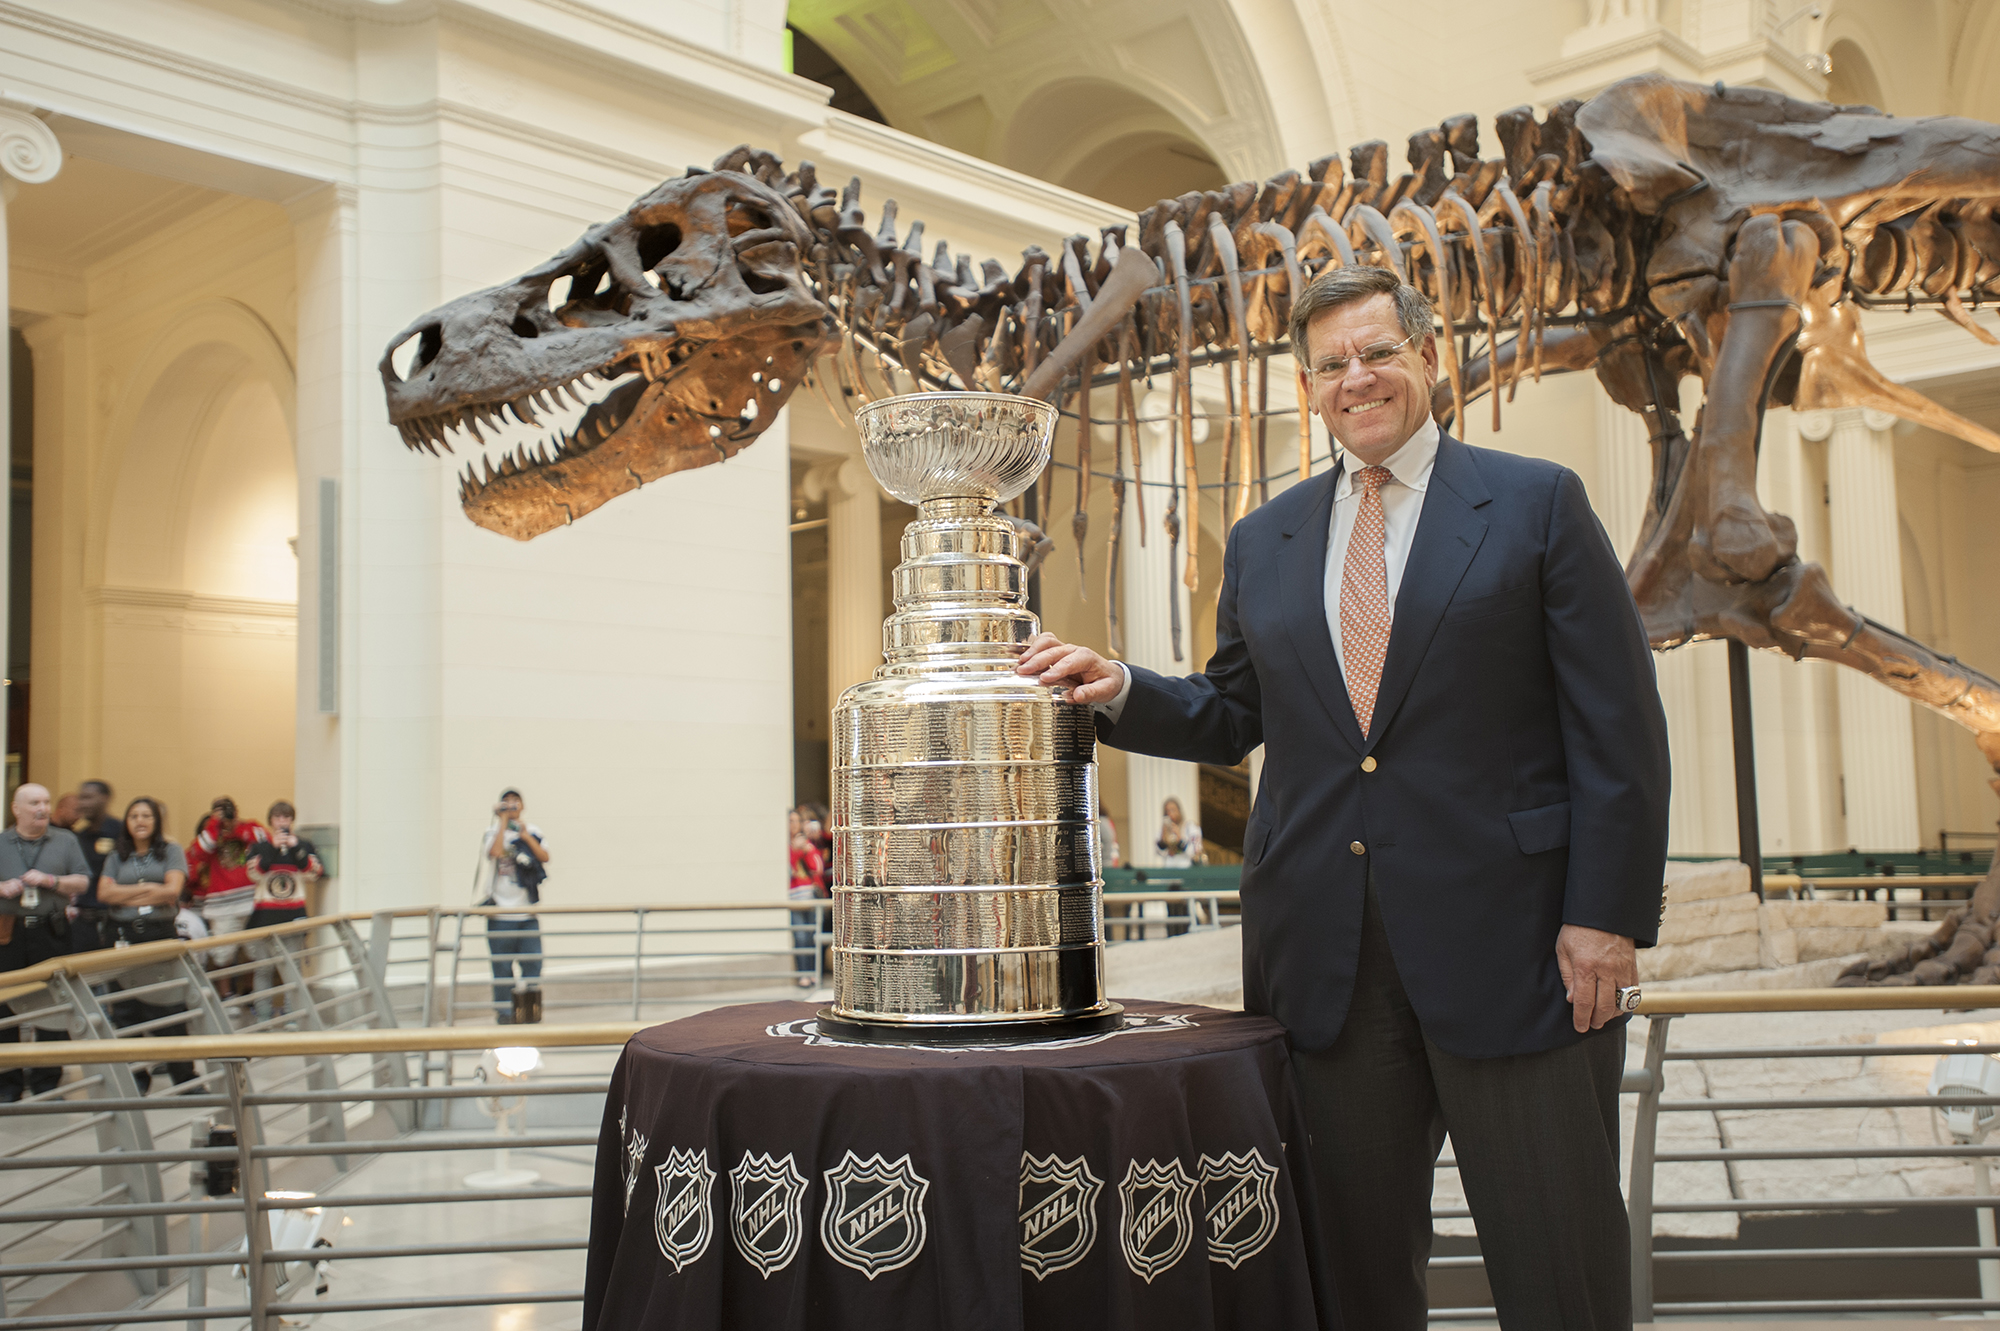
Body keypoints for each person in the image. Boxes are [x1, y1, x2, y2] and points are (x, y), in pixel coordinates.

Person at [1014, 265, 1671, 1330]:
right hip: (1326, 965)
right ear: (1307, 386)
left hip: (1522, 954)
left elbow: (1619, 728)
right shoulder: (1264, 538)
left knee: (1561, 1268)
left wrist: (1604, 917)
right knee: (1349, 1278)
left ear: (1425, 354)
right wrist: (1122, 686)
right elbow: (1232, 711)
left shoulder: (1535, 501)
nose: (1355, 377)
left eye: (1375, 352)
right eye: (1329, 364)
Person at [0, 784, 94, 1101]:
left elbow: (82, 880)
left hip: (51, 931)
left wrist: (52, 881)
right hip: (8, 934)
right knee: (4, 1007)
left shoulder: (65, 840)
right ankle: (7, 1083)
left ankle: (47, 1082)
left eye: (46, 802)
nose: (42, 808)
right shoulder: (1, 843)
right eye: (34, 803)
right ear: (16, 809)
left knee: (53, 1005)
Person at [97, 797, 198, 1092]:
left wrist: (126, 892)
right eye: (133, 816)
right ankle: (135, 1080)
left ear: (156, 821)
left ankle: (184, 1079)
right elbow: (104, 893)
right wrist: (150, 889)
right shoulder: (117, 854)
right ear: (126, 822)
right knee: (126, 1010)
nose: (140, 821)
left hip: (158, 934)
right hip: (123, 936)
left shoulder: (171, 850)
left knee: (170, 1007)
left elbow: (173, 891)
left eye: (146, 816)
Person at [245, 802, 323, 1023]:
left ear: (292, 821)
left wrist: (297, 848)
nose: (282, 822)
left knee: (292, 971)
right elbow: (254, 875)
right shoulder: (259, 846)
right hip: (263, 918)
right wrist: (271, 847)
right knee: (263, 970)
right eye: (278, 817)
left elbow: (314, 873)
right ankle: (263, 1018)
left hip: (293, 916)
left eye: (287, 818)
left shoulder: (304, 845)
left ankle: (292, 1017)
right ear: (271, 821)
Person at [186, 797, 268, 996]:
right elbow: (199, 852)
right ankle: (226, 994)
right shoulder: (211, 833)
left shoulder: (249, 827)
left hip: (250, 901)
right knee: (223, 954)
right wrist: (215, 824)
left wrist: (236, 826)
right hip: (221, 905)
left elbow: (265, 844)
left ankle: (250, 992)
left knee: (253, 951)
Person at [480, 789, 549, 1023]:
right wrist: (501, 822)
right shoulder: (492, 832)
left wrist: (525, 835)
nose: (511, 806)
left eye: (515, 802)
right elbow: (496, 852)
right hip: (499, 914)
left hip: (527, 913)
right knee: (501, 971)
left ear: (522, 806)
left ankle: (530, 1014)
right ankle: (505, 1015)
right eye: (506, 802)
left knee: (533, 965)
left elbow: (544, 856)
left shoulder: (534, 832)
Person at [66, 780, 122, 955]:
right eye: (81, 798)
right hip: (83, 922)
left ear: (104, 798)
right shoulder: (78, 837)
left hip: (113, 920)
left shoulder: (121, 832)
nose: (82, 803)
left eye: (88, 798)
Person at [786, 809, 824, 990]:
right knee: (800, 936)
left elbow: (817, 868)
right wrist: (794, 851)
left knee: (811, 936)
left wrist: (807, 850)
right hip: (793, 897)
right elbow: (789, 870)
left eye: (796, 821)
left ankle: (813, 972)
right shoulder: (785, 846)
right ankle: (803, 973)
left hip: (810, 896)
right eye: (790, 821)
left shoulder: (808, 843)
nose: (793, 825)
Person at [1154, 796, 1201, 936]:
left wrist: (1180, 838)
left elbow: (1194, 851)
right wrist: (1163, 837)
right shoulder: (1163, 829)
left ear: (1179, 811)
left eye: (1173, 810)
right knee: (1172, 912)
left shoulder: (1190, 827)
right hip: (1170, 876)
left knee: (1185, 911)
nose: (1170, 813)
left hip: (1185, 875)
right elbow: (1159, 852)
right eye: (1167, 810)